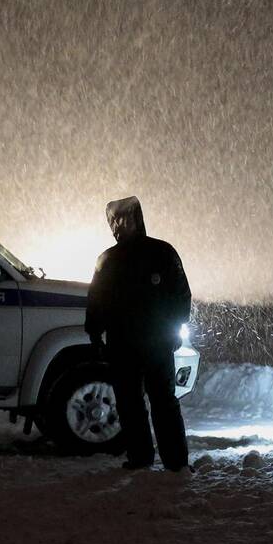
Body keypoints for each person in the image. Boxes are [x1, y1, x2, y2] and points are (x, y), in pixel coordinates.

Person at [85, 196, 192, 472]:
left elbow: (181, 295)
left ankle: (175, 462)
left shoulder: (162, 253)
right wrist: (95, 333)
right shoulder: (108, 260)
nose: (117, 225)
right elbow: (96, 301)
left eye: (122, 219)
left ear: (137, 219)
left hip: (155, 343)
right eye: (113, 221)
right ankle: (142, 458)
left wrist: (174, 329)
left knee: (162, 403)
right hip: (124, 345)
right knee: (132, 404)